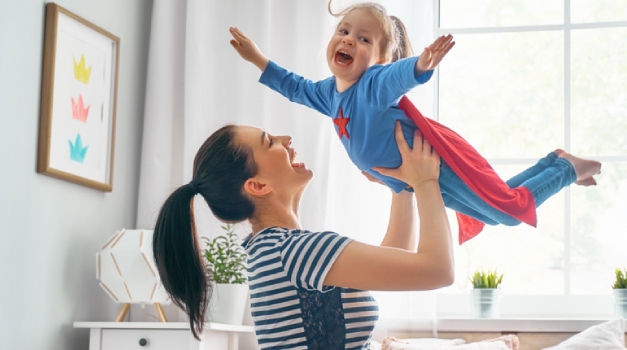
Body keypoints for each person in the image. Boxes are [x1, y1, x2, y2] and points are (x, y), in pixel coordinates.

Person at [228, 2, 602, 244]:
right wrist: (257, 59)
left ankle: (565, 168)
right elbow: (295, 87)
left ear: (380, 57)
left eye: (363, 39)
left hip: (435, 169)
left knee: (506, 213)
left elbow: (399, 77)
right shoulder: (328, 93)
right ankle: (554, 162)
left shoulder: (373, 83)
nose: (348, 41)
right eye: (344, 31)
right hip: (416, 179)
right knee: (496, 212)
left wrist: (422, 64)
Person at [152, 122, 452, 348]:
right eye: (270, 142)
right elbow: (438, 270)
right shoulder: (293, 252)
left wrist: (402, 187)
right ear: (258, 186)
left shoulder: (275, 250)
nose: (286, 139)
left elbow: (397, 260)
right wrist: (425, 182)